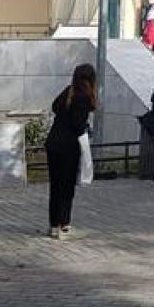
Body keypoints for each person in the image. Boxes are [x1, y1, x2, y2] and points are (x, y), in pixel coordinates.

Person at [46, 63, 97, 240]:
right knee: (67, 186)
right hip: (69, 146)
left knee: (55, 185)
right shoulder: (84, 97)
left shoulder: (69, 91)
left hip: (53, 142)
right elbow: (77, 124)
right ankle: (64, 225)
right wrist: (85, 128)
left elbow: (55, 106)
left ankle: (53, 225)